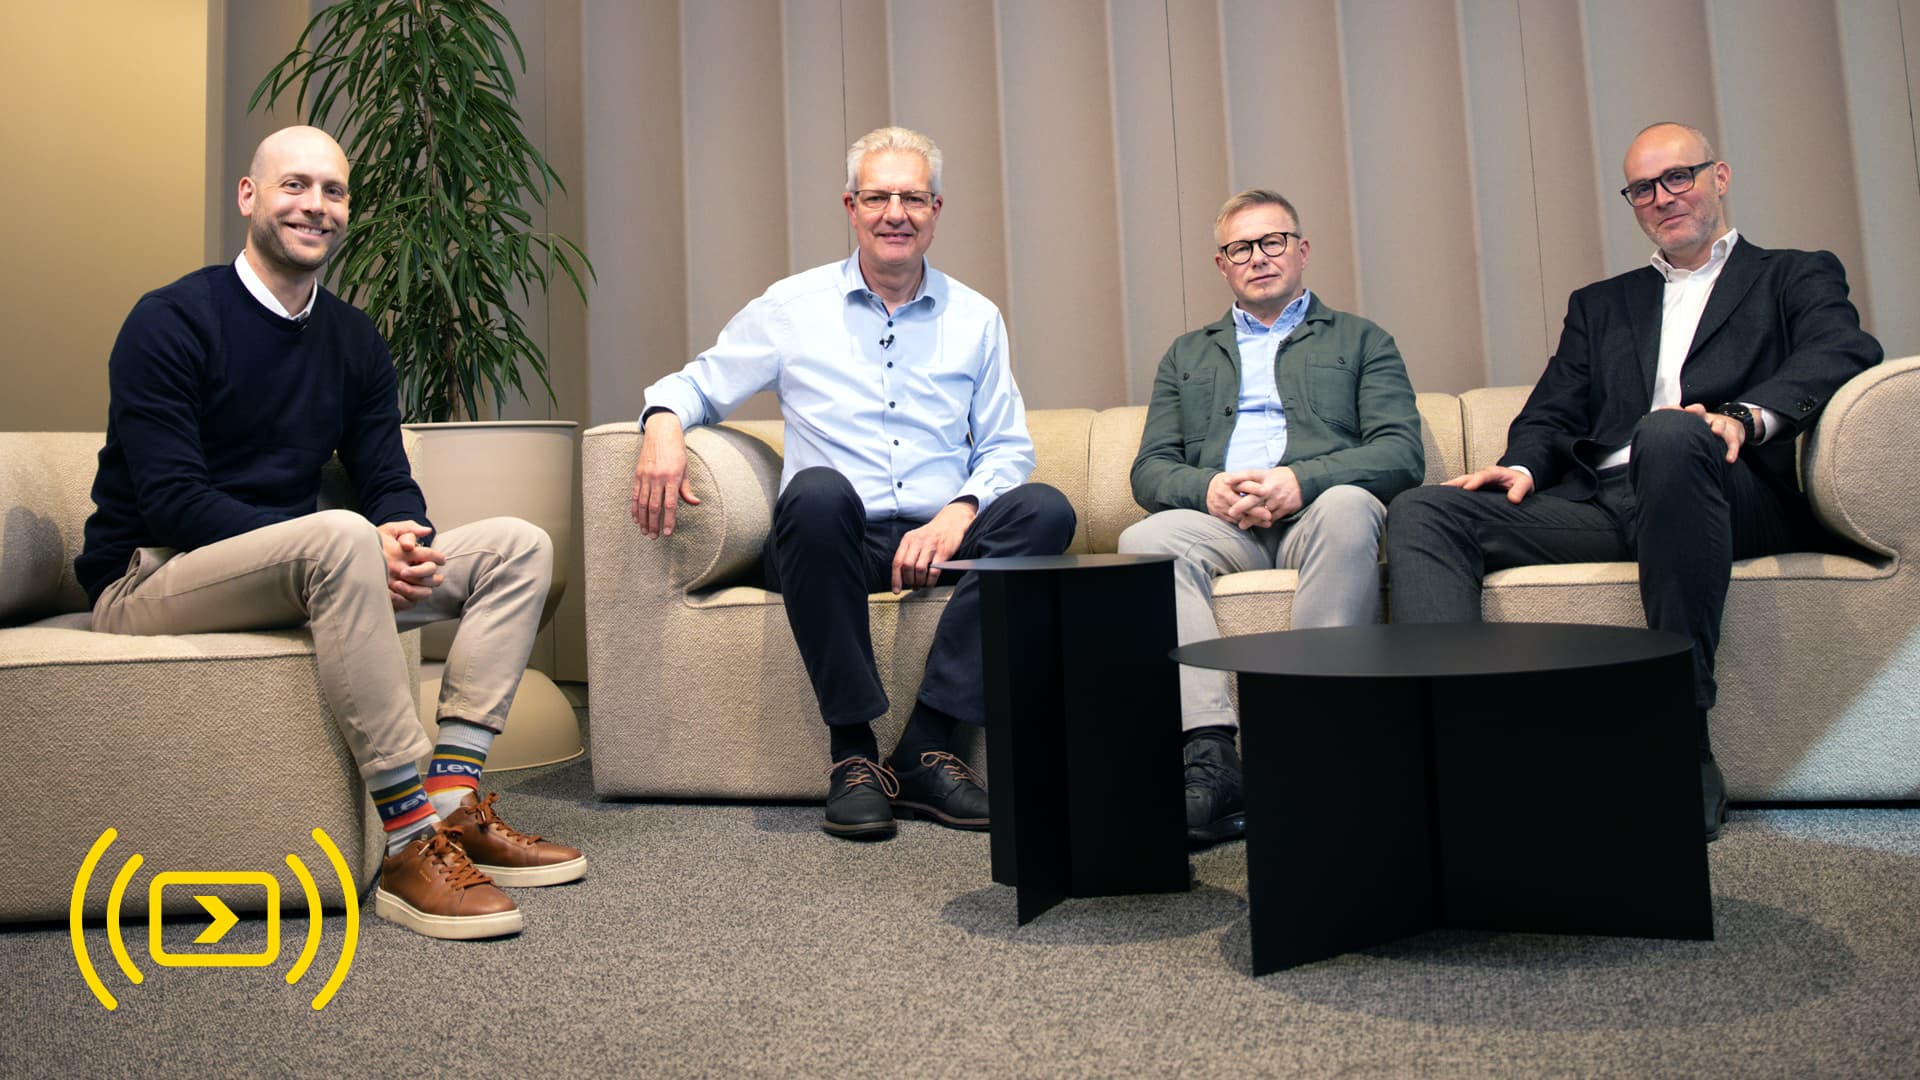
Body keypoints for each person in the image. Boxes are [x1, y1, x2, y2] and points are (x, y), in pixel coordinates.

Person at [78, 125, 584, 941]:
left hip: (305, 570)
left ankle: (453, 805)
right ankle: (407, 838)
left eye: (334, 191)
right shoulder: (170, 320)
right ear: (250, 197)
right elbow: (174, 502)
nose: (315, 205)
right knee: (343, 536)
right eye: (294, 186)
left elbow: (386, 475)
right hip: (152, 579)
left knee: (517, 545)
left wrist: (406, 540)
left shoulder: (351, 337)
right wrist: (348, 544)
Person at [1386, 122, 1882, 841]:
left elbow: (1844, 349)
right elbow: (1553, 408)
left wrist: (1746, 416)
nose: (1663, 197)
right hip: (1610, 501)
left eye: (1678, 176)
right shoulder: (1602, 304)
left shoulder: (1792, 274)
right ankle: (1452, 758)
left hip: (1728, 490)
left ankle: (1680, 734)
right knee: (1425, 510)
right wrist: (1522, 465)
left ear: (1720, 176)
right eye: (1644, 188)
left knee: (1671, 431)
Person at [631, 126, 1076, 841]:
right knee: (815, 491)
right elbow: (698, 385)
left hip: (938, 538)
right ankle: (853, 755)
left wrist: (959, 512)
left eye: (912, 197)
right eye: (878, 197)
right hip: (829, 539)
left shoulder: (976, 318)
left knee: (1046, 511)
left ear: (937, 209)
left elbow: (1004, 447)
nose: (894, 212)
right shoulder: (791, 307)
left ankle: (928, 749)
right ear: (851, 206)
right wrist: (661, 425)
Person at [1119, 189, 1424, 847]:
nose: (1257, 257)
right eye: (1240, 248)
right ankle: (1210, 755)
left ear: (1302, 250)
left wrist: (1300, 480)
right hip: (1226, 526)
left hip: (1316, 515)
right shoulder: (1187, 355)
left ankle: (1309, 743)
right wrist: (1209, 489)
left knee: (1349, 507)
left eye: (1272, 241)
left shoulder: (1363, 340)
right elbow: (1150, 471)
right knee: (1143, 539)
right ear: (1222, 264)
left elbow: (1402, 452)